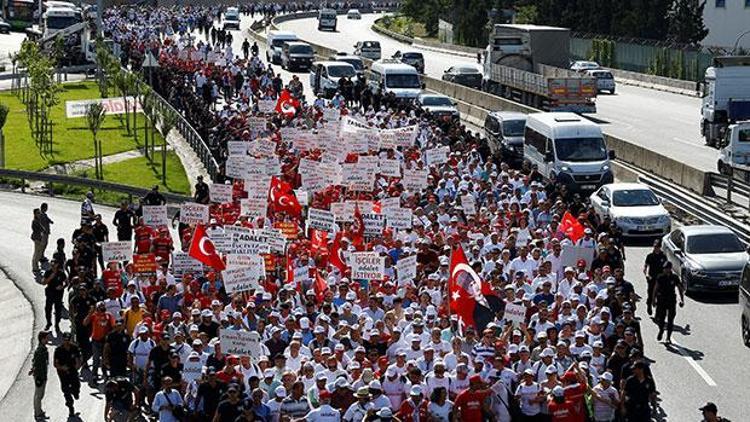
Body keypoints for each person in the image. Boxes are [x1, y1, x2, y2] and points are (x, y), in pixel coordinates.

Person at [652, 261, 684, 344]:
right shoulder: (660, 277)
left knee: (671, 319)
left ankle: (668, 337)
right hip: (661, 300)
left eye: (667, 268)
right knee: (661, 319)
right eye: (664, 268)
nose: (665, 270)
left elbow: (680, 288)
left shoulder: (674, 277)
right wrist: (653, 300)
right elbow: (655, 288)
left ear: (670, 269)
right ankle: (661, 330)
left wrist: (681, 300)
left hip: (671, 300)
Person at [54, 332, 82, 417]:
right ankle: (70, 407)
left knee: (76, 386)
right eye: (65, 340)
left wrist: (78, 365)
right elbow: (55, 364)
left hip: (72, 370)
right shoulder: (58, 350)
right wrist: (62, 368)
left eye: (68, 340)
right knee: (65, 390)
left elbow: (78, 359)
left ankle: (75, 392)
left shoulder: (74, 348)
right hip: (63, 373)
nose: (66, 342)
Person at [30, 330, 50, 421]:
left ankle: (39, 411)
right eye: (46, 338)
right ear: (42, 339)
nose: (48, 339)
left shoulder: (43, 349)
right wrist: (36, 374)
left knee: (40, 395)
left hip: (42, 375)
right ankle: (37, 413)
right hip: (40, 376)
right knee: (38, 395)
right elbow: (36, 362)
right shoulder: (40, 350)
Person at [643, 239, 667, 316]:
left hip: (660, 279)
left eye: (657, 247)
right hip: (652, 278)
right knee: (650, 294)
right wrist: (647, 275)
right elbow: (645, 266)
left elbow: (666, 268)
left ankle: (658, 312)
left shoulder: (663, 256)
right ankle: (649, 305)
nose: (656, 248)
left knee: (660, 296)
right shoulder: (650, 256)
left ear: (660, 247)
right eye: (655, 246)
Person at [42, 259, 66, 331]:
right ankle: (49, 323)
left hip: (58, 294)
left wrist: (62, 287)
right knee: (48, 309)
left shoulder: (61, 273)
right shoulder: (48, 272)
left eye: (54, 263)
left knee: (58, 310)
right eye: (52, 263)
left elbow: (66, 282)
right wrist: (50, 277)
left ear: (57, 264)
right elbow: (43, 282)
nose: (53, 265)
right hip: (50, 293)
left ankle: (57, 324)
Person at [31, 208, 47, 275]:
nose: (39, 214)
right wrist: (42, 230)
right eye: (38, 213)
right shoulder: (35, 221)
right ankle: (35, 267)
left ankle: (36, 266)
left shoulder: (38, 220)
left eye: (39, 213)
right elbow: (37, 229)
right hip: (37, 238)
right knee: (36, 253)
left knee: (39, 253)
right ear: (35, 214)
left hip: (39, 238)